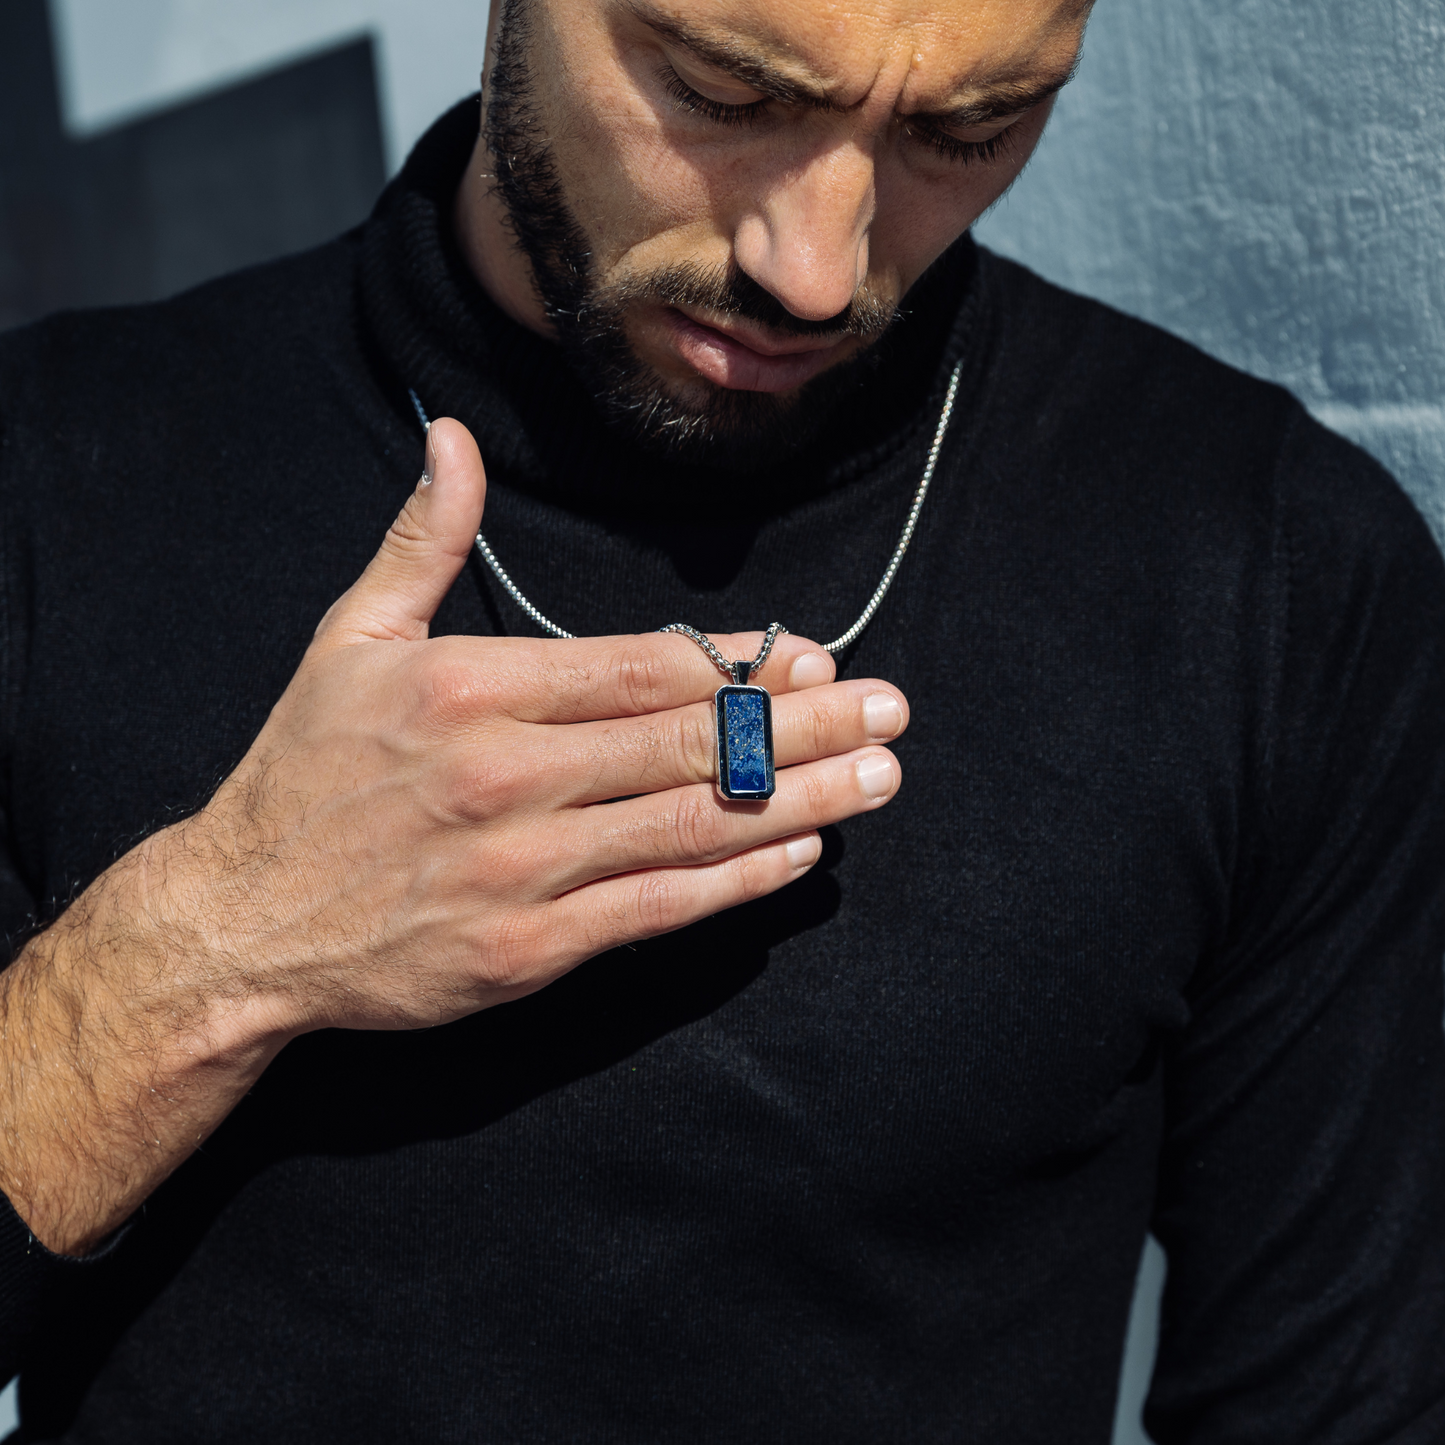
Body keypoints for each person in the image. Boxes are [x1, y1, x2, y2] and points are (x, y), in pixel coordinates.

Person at [0, 0, 1442, 1437]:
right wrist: (203, 954)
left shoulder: (1274, 578)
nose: (814, 272)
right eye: (722, 92)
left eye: (970, 129)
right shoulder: (55, 482)